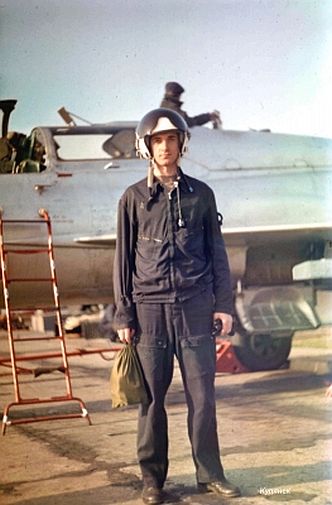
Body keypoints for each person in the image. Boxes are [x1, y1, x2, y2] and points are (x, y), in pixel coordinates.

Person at [113, 108, 240, 504]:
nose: (165, 148)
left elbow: (217, 253)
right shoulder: (133, 199)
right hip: (150, 312)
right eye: (157, 141)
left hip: (195, 309)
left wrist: (223, 304)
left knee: (203, 398)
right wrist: (124, 314)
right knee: (151, 401)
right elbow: (123, 261)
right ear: (146, 147)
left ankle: (210, 474)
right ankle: (153, 480)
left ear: (181, 145)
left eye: (171, 140)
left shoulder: (202, 194)